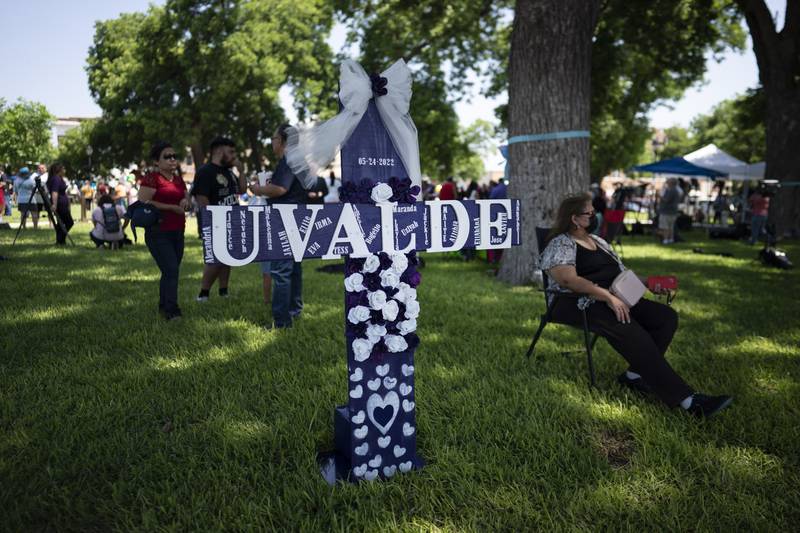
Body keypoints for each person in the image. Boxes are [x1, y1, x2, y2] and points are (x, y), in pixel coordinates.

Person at [539, 192, 733, 418]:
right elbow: (568, 280)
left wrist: (650, 283)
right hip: (575, 302)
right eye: (590, 213)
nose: (595, 216)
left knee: (665, 317)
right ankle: (688, 401)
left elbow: (622, 274)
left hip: (614, 297)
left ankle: (633, 376)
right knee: (627, 325)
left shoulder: (599, 242)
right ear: (574, 218)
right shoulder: (561, 243)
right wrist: (608, 297)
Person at [250, 124, 307, 329]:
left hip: (285, 220)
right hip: (297, 218)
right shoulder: (297, 160)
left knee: (282, 271)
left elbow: (280, 189)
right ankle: (294, 309)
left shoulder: (288, 160)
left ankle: (282, 321)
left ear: (282, 141)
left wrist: (257, 189)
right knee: (294, 269)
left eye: (273, 138)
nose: (271, 142)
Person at [139, 141, 190, 320]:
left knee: (170, 270)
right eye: (167, 157)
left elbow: (185, 198)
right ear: (156, 162)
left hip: (178, 231)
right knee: (171, 270)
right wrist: (170, 207)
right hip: (158, 231)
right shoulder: (152, 178)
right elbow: (143, 202)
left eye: (174, 156)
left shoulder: (178, 179)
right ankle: (172, 310)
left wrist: (185, 202)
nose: (172, 159)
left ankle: (163, 305)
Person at [192, 136, 247, 302]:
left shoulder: (229, 172)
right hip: (215, 223)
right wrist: (212, 222)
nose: (234, 156)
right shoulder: (205, 171)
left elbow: (242, 190)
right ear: (218, 151)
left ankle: (224, 291)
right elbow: (202, 198)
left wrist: (242, 172)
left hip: (232, 221)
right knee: (216, 259)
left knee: (227, 257)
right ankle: (203, 294)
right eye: (230, 152)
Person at [249, 167, 273, 308]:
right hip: (265, 238)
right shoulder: (256, 199)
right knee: (267, 272)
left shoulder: (278, 196)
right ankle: (266, 300)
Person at [46, 163, 74, 245]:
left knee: (60, 223)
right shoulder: (56, 179)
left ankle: (60, 241)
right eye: (63, 168)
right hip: (60, 204)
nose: (64, 170)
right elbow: (54, 192)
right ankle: (61, 239)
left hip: (62, 203)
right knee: (69, 222)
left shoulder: (57, 178)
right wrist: (54, 204)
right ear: (59, 170)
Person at [658, 178, 680, 244]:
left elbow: (666, 200)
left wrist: (660, 196)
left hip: (667, 211)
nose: (667, 183)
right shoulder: (676, 190)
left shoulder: (671, 190)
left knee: (665, 227)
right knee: (670, 227)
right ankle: (670, 239)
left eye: (668, 182)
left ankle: (665, 239)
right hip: (672, 211)